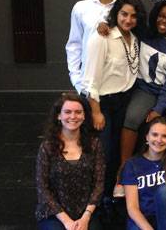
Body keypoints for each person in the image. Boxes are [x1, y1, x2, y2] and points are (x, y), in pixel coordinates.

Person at [113, 0, 166, 198]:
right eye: (161, 15)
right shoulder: (143, 35)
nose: (164, 20)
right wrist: (105, 25)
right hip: (145, 90)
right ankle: (123, 173)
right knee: (131, 118)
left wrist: (159, 108)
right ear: (154, 15)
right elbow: (123, 24)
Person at [81, 0, 147, 199]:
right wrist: (96, 111)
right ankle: (100, 199)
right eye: (124, 14)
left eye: (133, 16)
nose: (128, 20)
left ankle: (117, 193)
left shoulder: (135, 39)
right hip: (103, 104)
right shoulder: (102, 37)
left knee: (120, 152)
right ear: (116, 13)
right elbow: (90, 79)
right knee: (105, 154)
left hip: (125, 101)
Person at [36, 92, 105, 230]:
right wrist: (66, 221)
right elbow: (42, 188)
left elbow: (99, 184)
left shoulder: (94, 144)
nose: (73, 116)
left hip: (87, 213)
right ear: (59, 116)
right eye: (67, 112)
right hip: (54, 214)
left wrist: (85, 218)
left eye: (78, 112)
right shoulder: (47, 146)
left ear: (84, 116)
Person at [66, 0, 123, 93]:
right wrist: (76, 80)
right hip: (88, 84)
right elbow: (74, 45)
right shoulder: (81, 8)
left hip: (119, 86)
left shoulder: (126, 9)